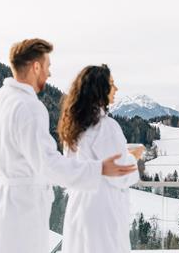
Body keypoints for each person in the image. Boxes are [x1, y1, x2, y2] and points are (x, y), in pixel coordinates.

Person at [0, 39, 137, 253]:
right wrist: (100, 168)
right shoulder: (28, 106)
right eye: (47, 66)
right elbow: (48, 164)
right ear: (35, 66)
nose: (49, 74)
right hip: (22, 206)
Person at [58, 64, 143, 253]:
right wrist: (133, 157)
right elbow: (121, 174)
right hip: (103, 209)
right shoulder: (106, 127)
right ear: (100, 89)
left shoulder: (74, 128)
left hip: (78, 207)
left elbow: (71, 169)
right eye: (111, 84)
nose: (116, 89)